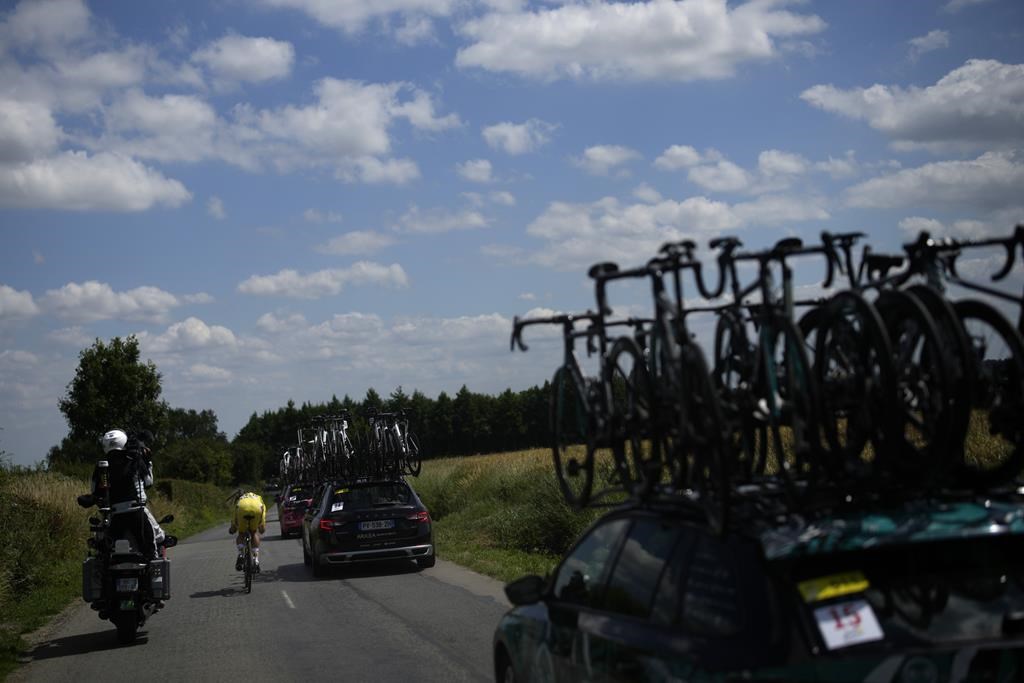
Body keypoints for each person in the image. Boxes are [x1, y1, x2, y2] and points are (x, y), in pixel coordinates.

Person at [92, 428, 166, 559]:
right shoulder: (134, 460)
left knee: (103, 553)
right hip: (137, 512)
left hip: (113, 516)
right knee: (153, 550)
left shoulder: (101, 467)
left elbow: (94, 492)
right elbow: (148, 482)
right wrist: (148, 461)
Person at [229, 491, 266, 572]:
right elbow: (262, 529)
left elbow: (233, 525)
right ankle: (256, 560)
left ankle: (241, 553)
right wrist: (260, 528)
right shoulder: (258, 498)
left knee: (241, 534)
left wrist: (232, 529)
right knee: (253, 533)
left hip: (242, 508)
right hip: (257, 508)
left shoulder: (239, 501)